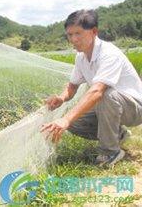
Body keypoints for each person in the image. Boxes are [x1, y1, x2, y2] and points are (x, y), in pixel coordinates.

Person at [41, 9, 142, 166]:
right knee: (75, 122)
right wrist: (61, 98)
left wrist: (65, 119)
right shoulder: (81, 57)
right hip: (112, 106)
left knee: (105, 95)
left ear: (94, 31)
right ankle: (119, 135)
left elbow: (97, 91)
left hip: (135, 109)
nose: (73, 39)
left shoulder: (109, 54)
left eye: (78, 33)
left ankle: (110, 152)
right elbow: (72, 86)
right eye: (69, 35)